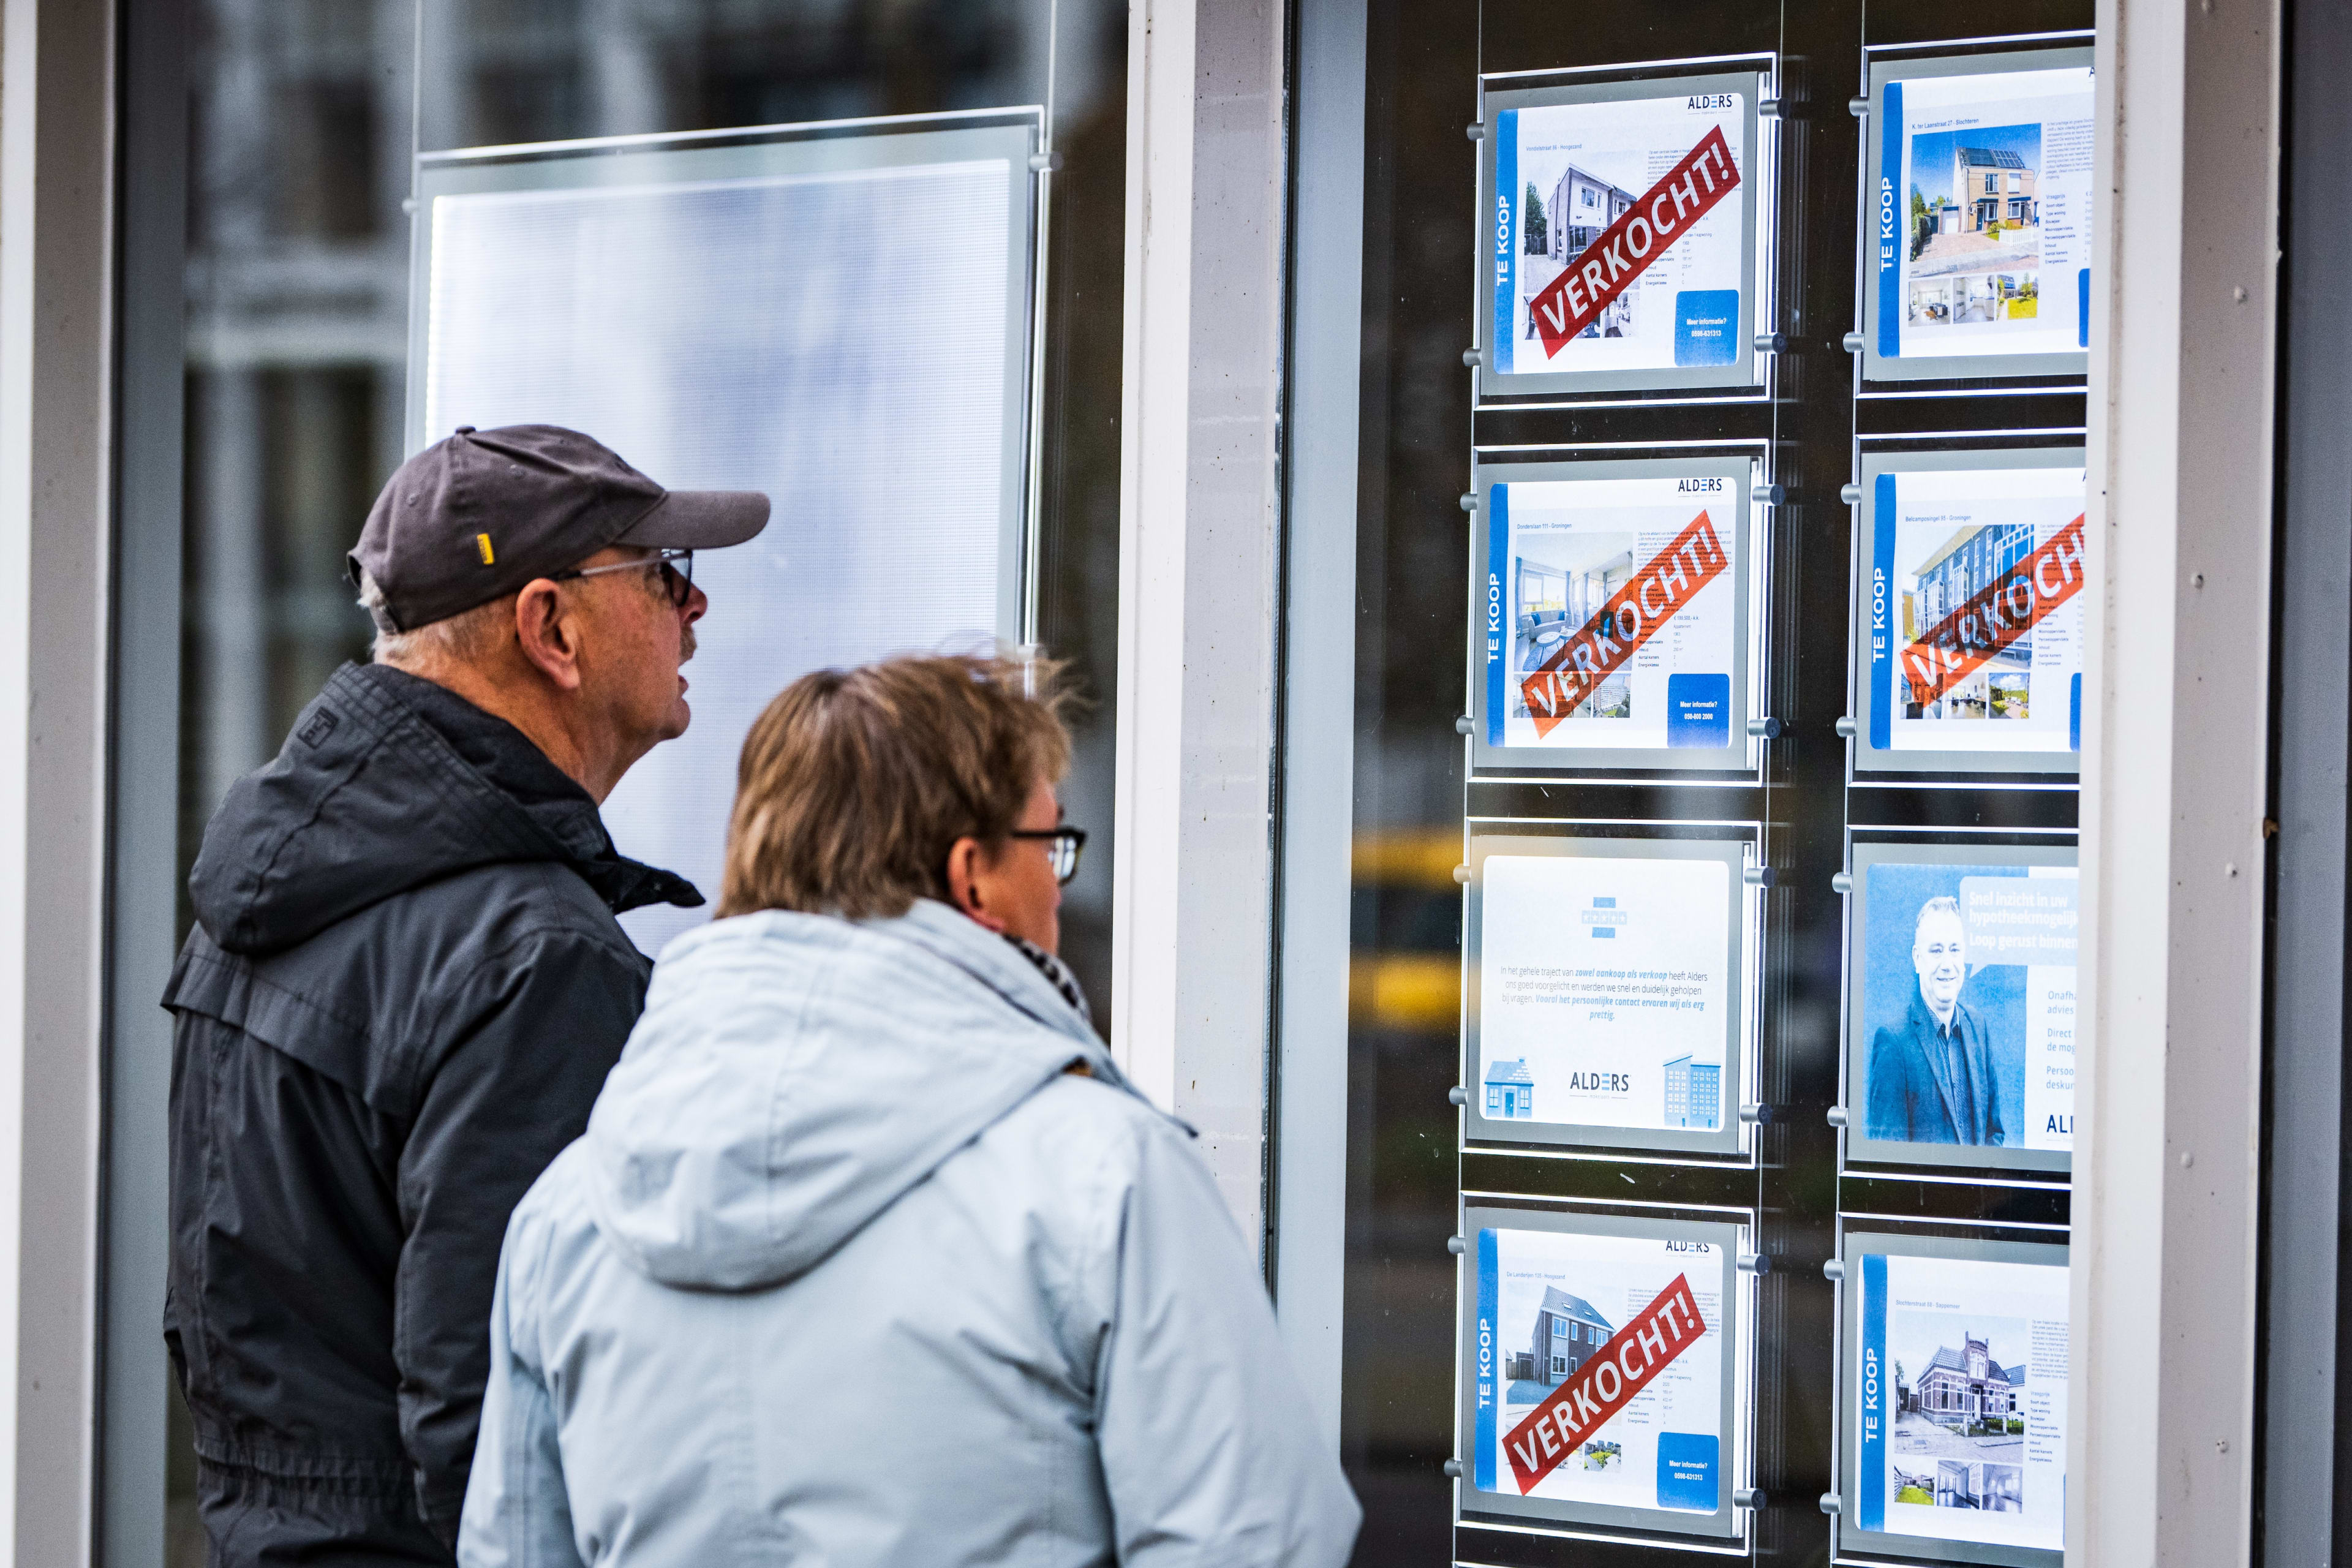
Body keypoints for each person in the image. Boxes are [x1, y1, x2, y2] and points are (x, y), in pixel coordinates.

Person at [458, 653, 1363, 1568]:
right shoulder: (1103, 1183)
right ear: (972, 877)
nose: (1060, 887)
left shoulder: (567, 1217)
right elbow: (1258, 1544)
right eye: (1051, 848)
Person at [164, 424, 769, 1564]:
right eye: (663, 576)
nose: (695, 612)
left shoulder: (263, 891)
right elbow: (502, 1417)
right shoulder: (535, 957)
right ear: (550, 627)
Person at [1865, 894, 2007, 1145]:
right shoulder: (1893, 1042)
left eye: (1954, 950)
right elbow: (1888, 1159)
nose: (1947, 964)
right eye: (1936, 951)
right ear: (1917, 959)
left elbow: (1993, 1133)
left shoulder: (1978, 1029)